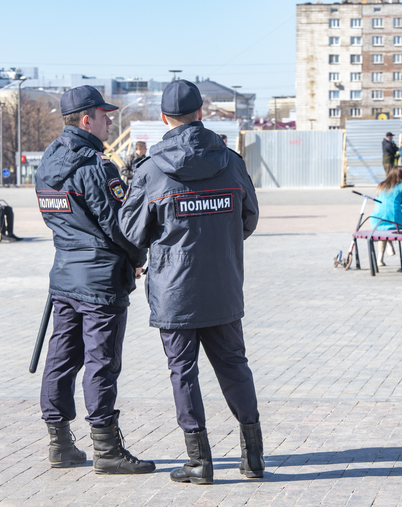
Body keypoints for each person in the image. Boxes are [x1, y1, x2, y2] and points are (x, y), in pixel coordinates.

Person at [119, 80, 263, 485]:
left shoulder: (150, 171)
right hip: (222, 285)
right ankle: (253, 457)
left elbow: (131, 230)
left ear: (165, 119)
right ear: (201, 114)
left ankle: (199, 463)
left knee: (183, 373)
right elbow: (249, 219)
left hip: (174, 292)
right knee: (235, 367)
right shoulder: (231, 162)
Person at [35, 85, 154, 474]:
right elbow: (119, 225)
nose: (110, 121)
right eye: (105, 116)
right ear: (86, 120)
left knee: (61, 358)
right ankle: (106, 449)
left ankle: (59, 443)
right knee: (101, 363)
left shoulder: (47, 164)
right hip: (101, 281)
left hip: (64, 277)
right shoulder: (96, 168)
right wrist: (138, 257)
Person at [371, 166, 402, 267]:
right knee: (394, 225)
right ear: (401, 176)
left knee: (384, 229)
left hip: (376, 221)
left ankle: (379, 259)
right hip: (395, 222)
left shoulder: (380, 185)